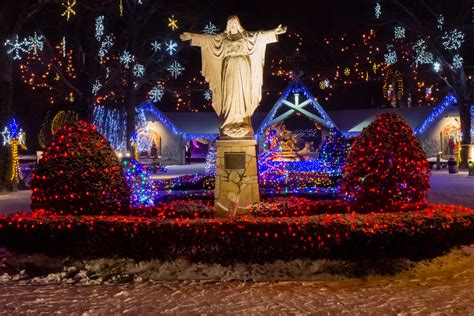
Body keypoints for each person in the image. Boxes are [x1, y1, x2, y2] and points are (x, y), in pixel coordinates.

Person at [180, 16, 286, 138]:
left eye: (235, 23)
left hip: (243, 68)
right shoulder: (222, 38)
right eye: (230, 23)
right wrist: (192, 37)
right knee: (229, 94)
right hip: (229, 67)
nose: (233, 25)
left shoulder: (246, 37)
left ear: (239, 25)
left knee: (242, 93)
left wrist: (273, 32)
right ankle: (229, 121)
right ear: (228, 26)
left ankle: (242, 120)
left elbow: (259, 36)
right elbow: (207, 39)